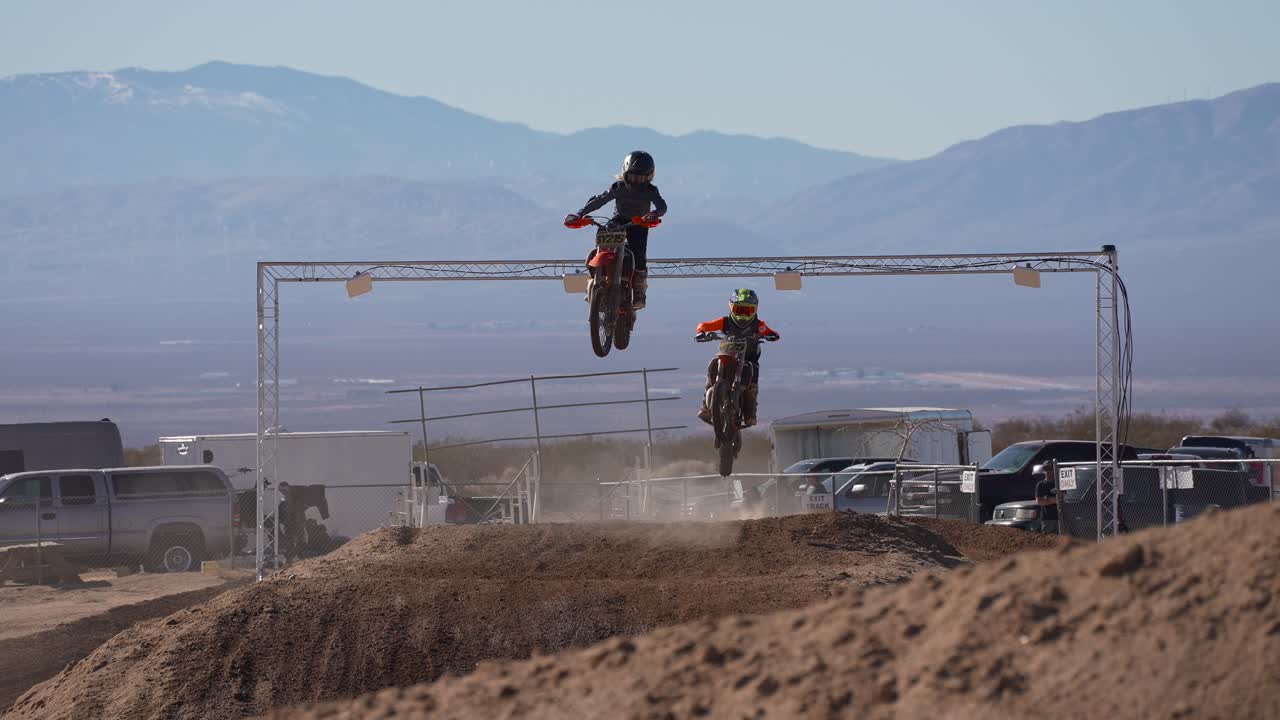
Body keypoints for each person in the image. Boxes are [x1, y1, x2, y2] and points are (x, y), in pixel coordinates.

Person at [564, 151, 667, 308]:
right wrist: (580, 213)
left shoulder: (651, 191)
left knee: (639, 256)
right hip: (618, 221)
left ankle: (639, 293)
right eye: (633, 177)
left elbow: (662, 206)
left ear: (649, 177)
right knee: (603, 234)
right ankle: (595, 280)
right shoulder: (618, 187)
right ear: (625, 173)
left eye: (641, 178)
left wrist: (654, 214)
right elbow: (599, 200)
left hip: (639, 223)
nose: (636, 182)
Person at [693, 288, 780, 427]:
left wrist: (772, 335)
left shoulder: (758, 325)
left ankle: (750, 413)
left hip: (749, 357)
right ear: (731, 307)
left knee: (752, 375)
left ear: (754, 310)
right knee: (713, 364)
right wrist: (701, 332)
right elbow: (704, 325)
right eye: (740, 310)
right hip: (728, 352)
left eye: (747, 311)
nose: (743, 315)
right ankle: (705, 407)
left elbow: (770, 332)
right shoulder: (724, 322)